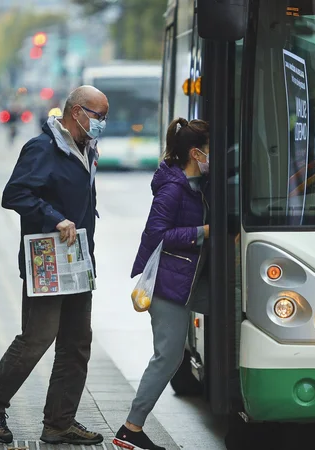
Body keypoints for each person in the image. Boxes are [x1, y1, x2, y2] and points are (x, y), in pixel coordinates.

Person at [0, 86, 109, 445]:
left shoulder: (85, 148)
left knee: (77, 343)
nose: (101, 124)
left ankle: (59, 423)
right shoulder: (42, 148)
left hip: (77, 261)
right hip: (46, 261)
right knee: (38, 337)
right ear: (76, 112)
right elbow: (14, 194)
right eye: (98, 116)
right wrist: (53, 217)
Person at [112, 118, 211, 450]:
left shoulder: (197, 185)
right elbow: (157, 235)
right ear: (196, 153)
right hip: (169, 283)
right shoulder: (173, 188)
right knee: (167, 357)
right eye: (211, 151)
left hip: (185, 279)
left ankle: (132, 427)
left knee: (171, 355)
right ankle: (130, 428)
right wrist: (202, 233)